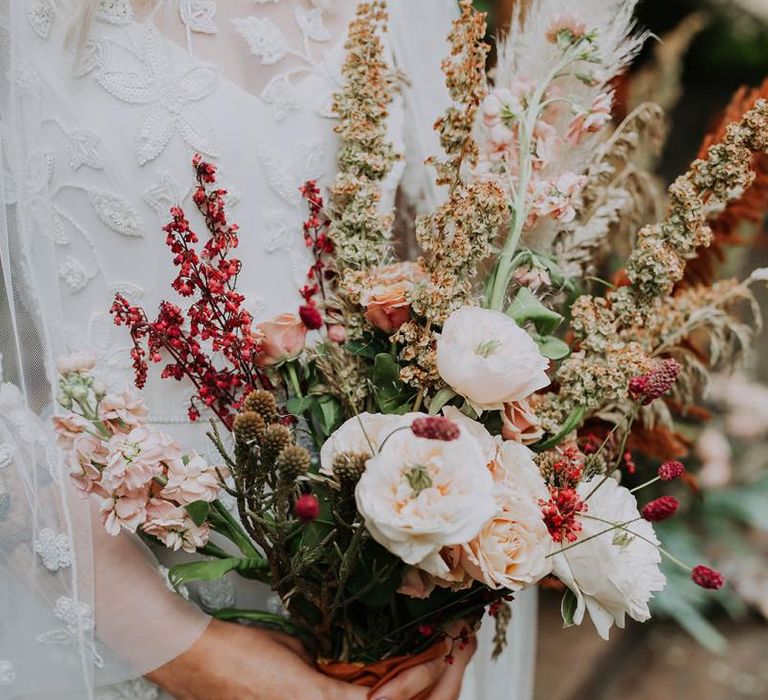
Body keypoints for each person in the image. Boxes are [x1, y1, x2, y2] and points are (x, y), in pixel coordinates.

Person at [0, 1, 536, 697]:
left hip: (376, 605)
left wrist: (444, 610)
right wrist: (183, 650)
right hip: (100, 593)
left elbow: (444, 297)